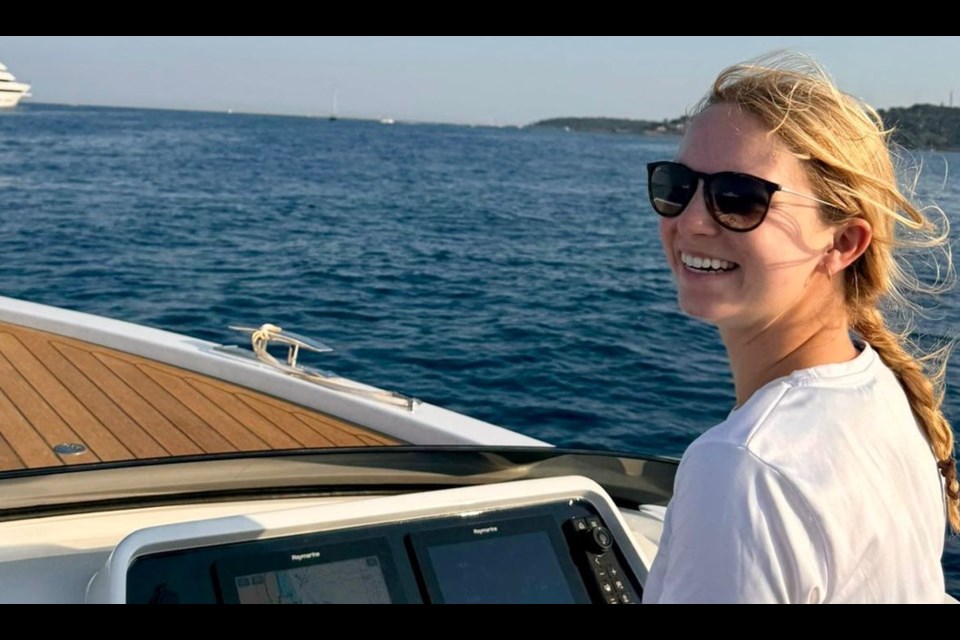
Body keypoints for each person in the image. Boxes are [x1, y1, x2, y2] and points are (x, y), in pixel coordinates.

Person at [641, 52, 959, 604]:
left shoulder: (745, 469)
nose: (690, 220)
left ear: (842, 243)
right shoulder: (879, 391)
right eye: (677, 185)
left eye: (738, 198)